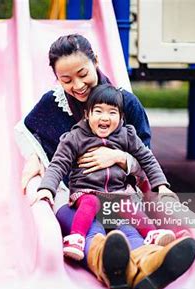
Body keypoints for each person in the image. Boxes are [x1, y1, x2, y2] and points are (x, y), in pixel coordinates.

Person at [15, 34, 195, 289]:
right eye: (66, 80)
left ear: (96, 62)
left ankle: (140, 268)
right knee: (92, 230)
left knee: (127, 231)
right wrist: (35, 157)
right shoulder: (54, 105)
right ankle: (140, 267)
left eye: (82, 74)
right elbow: (32, 134)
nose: (77, 85)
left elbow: (145, 154)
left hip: (118, 197)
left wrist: (118, 158)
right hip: (77, 200)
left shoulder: (124, 104)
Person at [34, 84, 176, 261]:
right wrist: (47, 188)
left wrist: (161, 186)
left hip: (117, 194)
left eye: (112, 112)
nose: (105, 117)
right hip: (87, 192)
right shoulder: (76, 137)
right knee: (91, 202)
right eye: (98, 111)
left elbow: (148, 159)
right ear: (88, 114)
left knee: (130, 206)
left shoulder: (126, 135)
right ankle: (76, 238)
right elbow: (58, 164)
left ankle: (152, 235)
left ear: (121, 117)